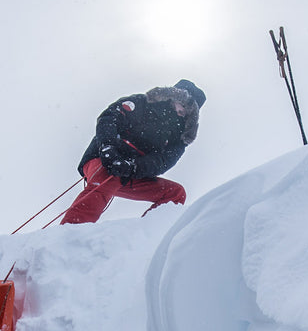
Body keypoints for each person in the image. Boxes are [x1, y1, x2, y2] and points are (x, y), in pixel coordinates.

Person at [61, 79, 206, 224]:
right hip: (102, 161)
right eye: (183, 104)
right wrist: (108, 149)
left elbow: (162, 161)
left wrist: (132, 167)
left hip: (131, 173)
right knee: (111, 177)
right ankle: (69, 232)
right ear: (174, 97)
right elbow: (109, 119)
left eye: (189, 110)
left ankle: (146, 234)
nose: (183, 111)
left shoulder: (180, 136)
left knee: (176, 194)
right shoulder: (143, 103)